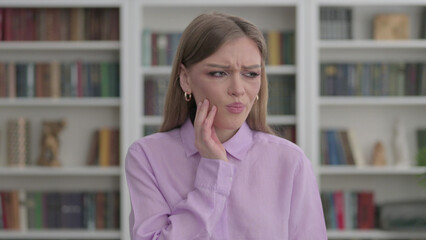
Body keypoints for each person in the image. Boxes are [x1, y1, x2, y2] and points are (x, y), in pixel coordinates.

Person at [125, 12, 327, 240]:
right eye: (219, 73)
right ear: (186, 79)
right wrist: (213, 171)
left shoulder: (291, 161)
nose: (238, 89)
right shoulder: (147, 156)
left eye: (250, 74)